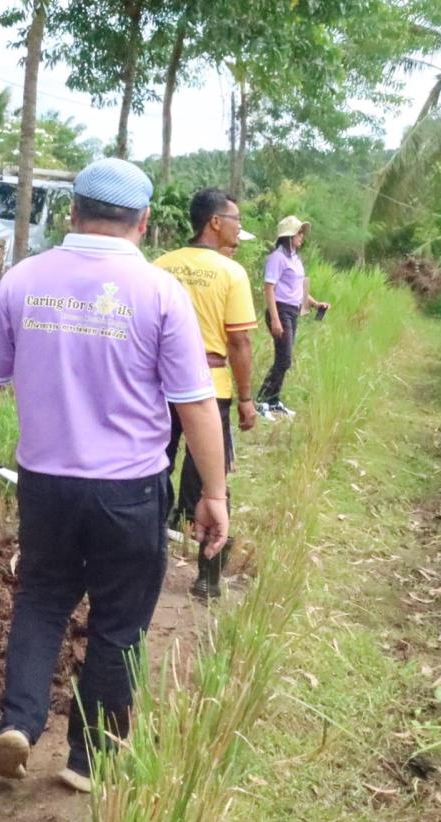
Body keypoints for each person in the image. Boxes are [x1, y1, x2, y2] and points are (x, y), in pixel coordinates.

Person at [0, 158, 230, 795]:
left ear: (72, 211)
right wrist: (213, 493)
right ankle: (85, 758)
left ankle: (17, 723)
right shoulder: (161, 293)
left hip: (45, 484)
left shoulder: (24, 281)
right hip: (129, 490)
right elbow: (196, 405)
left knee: (42, 600)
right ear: (145, 221)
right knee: (118, 622)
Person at [155, 188, 257, 601]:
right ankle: (208, 577)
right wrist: (247, 398)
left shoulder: (160, 266)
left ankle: (146, 561)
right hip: (208, 390)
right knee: (209, 480)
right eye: (235, 220)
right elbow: (240, 344)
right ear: (214, 222)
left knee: (151, 471)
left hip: (157, 388)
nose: (238, 228)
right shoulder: (231, 273)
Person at [258, 216, 329, 418]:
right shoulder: (277, 258)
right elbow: (269, 289)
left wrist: (316, 304)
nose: (302, 236)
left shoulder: (295, 259)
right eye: (299, 233)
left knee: (285, 358)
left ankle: (273, 400)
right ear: (289, 236)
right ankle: (263, 400)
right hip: (279, 310)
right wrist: (275, 319)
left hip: (292, 310)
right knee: (284, 358)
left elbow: (299, 289)